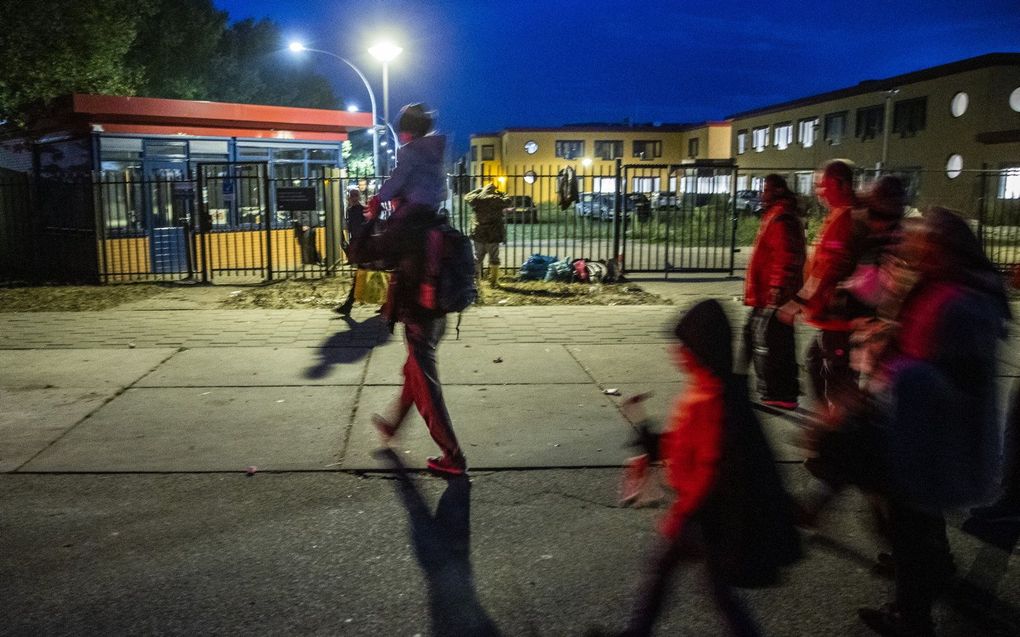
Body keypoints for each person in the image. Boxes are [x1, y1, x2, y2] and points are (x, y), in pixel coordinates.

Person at [600, 300, 801, 637]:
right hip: (710, 518)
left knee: (673, 576)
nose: (675, 352)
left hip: (709, 519)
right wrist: (647, 434)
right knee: (707, 589)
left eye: (683, 346)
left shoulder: (714, 401)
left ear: (701, 350)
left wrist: (686, 515)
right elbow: (683, 444)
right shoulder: (709, 390)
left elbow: (712, 467)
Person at [857, 207, 1011, 637]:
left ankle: (913, 616)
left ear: (944, 248)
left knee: (908, 528)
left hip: (935, 441)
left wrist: (900, 368)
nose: (911, 246)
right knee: (911, 526)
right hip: (918, 432)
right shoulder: (938, 287)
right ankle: (925, 591)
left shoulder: (963, 305)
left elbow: (951, 382)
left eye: (922, 241)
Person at [350, 103, 467, 476]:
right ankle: (393, 426)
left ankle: (452, 456)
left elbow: (366, 255)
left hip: (419, 308)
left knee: (424, 378)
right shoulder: (436, 213)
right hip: (438, 306)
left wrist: (371, 215)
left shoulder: (408, 222)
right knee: (414, 370)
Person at [778, 159, 863, 414]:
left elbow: (827, 268)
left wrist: (799, 301)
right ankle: (831, 428)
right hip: (830, 316)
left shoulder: (846, 219)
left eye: (822, 185)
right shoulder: (839, 215)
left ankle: (837, 435)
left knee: (835, 378)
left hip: (838, 317)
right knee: (817, 364)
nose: (818, 192)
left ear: (841, 185)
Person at [742, 174, 806, 409]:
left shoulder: (781, 218)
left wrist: (777, 289)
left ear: (777, 191)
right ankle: (763, 387)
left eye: (766, 189)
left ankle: (780, 392)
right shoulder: (777, 215)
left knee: (773, 343)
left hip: (773, 294)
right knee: (755, 336)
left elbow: (785, 256)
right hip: (769, 292)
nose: (761, 193)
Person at [465, 183, 508, 289]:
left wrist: (479, 190)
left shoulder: (476, 199)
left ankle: (476, 282)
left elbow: (466, 196)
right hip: (493, 234)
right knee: (494, 257)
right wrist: (502, 193)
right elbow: (508, 200)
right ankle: (494, 282)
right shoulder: (496, 199)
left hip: (478, 233)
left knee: (477, 258)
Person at [335, 187, 369, 316]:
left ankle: (348, 305)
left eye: (355, 195)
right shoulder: (350, 211)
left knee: (361, 274)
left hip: (364, 246)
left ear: (358, 197)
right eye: (351, 196)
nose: (353, 198)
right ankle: (348, 305)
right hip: (360, 245)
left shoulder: (362, 210)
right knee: (363, 274)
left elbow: (363, 228)